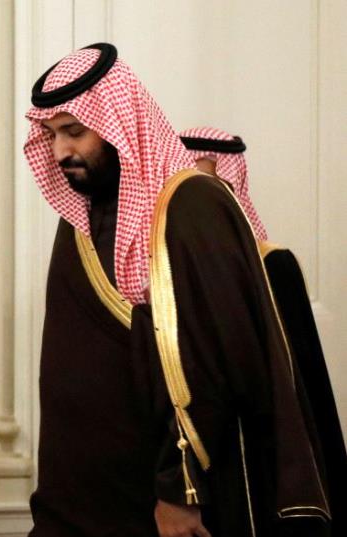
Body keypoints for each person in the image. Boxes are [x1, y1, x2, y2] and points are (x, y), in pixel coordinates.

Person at [24, 43, 331, 537]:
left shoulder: (193, 207)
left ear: (117, 122)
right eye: (52, 135)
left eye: (74, 132)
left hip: (161, 501)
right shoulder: (79, 221)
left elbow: (208, 362)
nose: (61, 152)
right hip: (83, 498)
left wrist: (179, 492)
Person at [180, 127, 347, 536]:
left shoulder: (273, 264)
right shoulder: (165, 271)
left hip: (262, 439)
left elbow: (304, 382)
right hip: (194, 449)